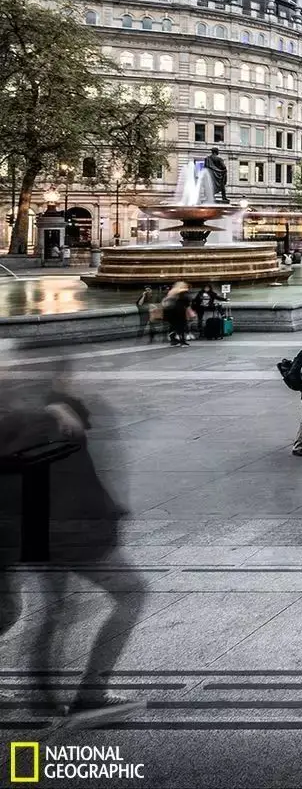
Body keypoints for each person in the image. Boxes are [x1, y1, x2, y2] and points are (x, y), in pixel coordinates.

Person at [2, 387, 147, 729]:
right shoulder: (34, 412)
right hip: (66, 526)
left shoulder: (41, 405)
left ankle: (45, 696)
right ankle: (88, 694)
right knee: (130, 592)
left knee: (52, 610)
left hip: (44, 524)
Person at [161, 280, 192, 345]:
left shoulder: (172, 291)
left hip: (171, 312)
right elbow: (186, 301)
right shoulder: (181, 292)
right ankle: (182, 341)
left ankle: (174, 340)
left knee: (174, 327)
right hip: (178, 312)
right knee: (180, 327)